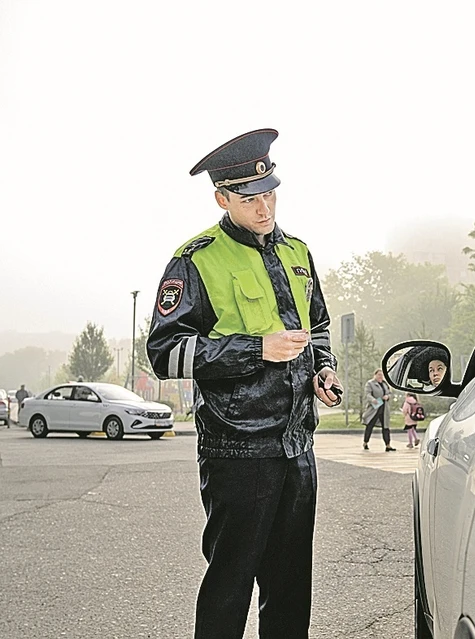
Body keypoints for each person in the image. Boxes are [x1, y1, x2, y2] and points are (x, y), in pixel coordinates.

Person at [145, 128, 342, 639]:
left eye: (270, 193)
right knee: (230, 585)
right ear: (222, 198)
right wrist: (256, 349)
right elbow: (165, 354)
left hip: (297, 446)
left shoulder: (297, 252)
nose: (264, 206)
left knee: (292, 586)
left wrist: (323, 368)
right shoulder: (196, 260)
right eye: (250, 198)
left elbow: (315, 324)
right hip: (237, 449)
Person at [361, 369, 395, 451]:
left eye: (382, 375)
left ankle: (388, 445)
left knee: (386, 427)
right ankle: (365, 442)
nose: (380, 376)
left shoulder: (384, 384)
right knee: (370, 425)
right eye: (379, 374)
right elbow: (368, 394)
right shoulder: (370, 383)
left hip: (384, 408)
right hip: (375, 407)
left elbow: (389, 393)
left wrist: (388, 396)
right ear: (375, 375)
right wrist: (373, 400)